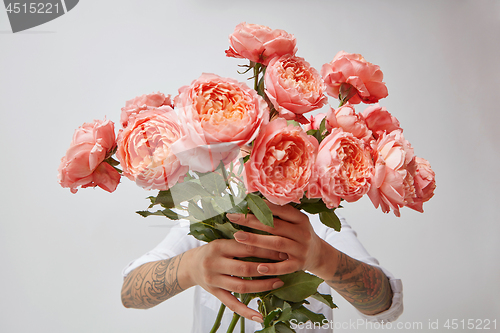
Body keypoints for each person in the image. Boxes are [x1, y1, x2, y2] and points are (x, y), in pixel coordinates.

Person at [121, 202, 403, 332]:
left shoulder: (317, 223)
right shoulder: (207, 214)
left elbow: (384, 305)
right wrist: (190, 267)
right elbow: (130, 293)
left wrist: (321, 257)